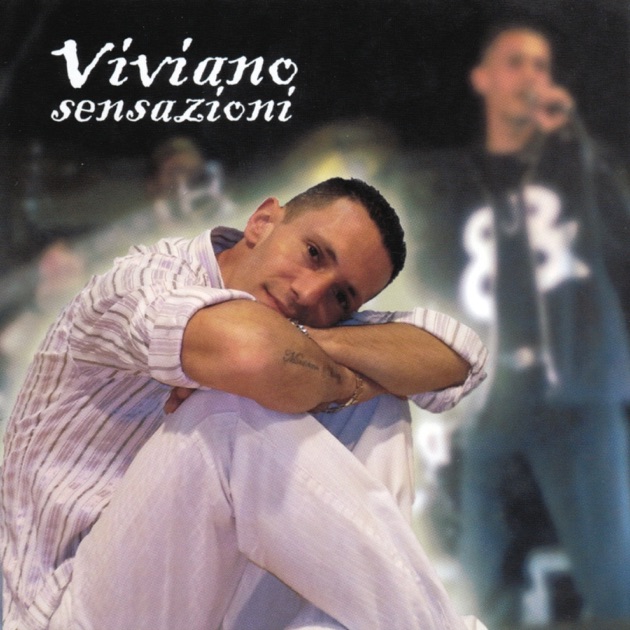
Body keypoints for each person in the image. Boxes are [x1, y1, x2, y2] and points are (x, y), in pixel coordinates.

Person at [1, 177, 488, 630]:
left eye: (341, 297)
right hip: (60, 612)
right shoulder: (143, 280)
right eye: (314, 254)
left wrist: (313, 349)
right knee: (228, 412)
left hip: (192, 603)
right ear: (263, 221)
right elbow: (252, 355)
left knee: (375, 401)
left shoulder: (308, 320)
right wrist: (327, 373)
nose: (309, 292)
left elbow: (460, 356)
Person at [407, 22, 630, 628]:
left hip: (579, 399)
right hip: (490, 403)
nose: (531, 77)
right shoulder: (455, 183)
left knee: (615, 583)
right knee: (482, 585)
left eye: (540, 65)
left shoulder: (583, 166)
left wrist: (575, 148)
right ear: (482, 79)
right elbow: (430, 276)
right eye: (515, 62)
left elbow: (620, 251)